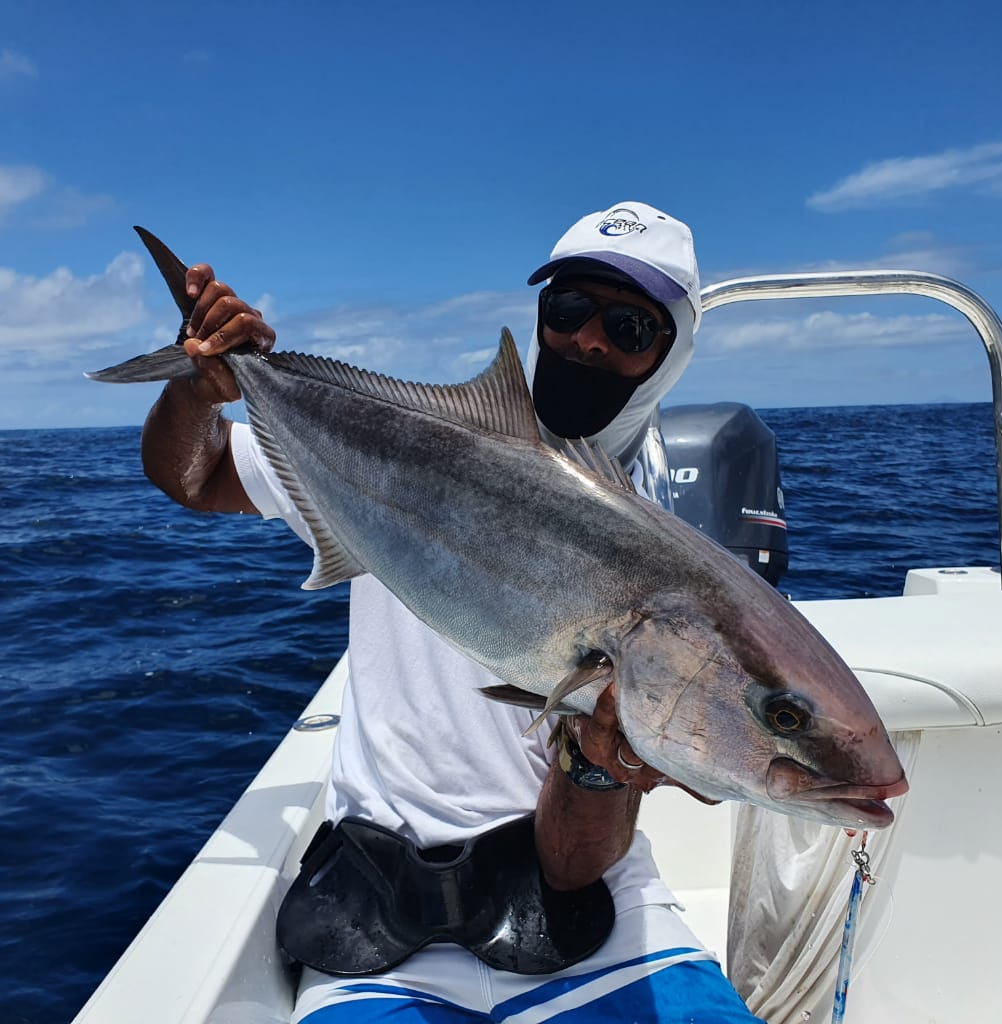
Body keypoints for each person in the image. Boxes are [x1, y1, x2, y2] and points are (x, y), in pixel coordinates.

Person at [140, 201, 762, 1023]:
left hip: (590, 909)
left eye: (630, 327)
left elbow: (577, 864)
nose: (590, 340)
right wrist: (202, 389)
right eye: (570, 311)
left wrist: (603, 763)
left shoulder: (674, 555)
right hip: (372, 908)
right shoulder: (407, 444)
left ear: (669, 356)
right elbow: (192, 477)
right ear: (540, 319)